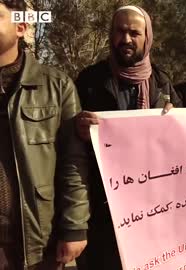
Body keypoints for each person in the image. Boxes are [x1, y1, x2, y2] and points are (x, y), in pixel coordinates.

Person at [74, 6, 179, 270]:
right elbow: (68, 145)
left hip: (153, 209)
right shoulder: (90, 80)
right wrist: (79, 130)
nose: (127, 39)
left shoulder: (163, 82)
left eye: (135, 33)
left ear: (148, 38)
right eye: (120, 31)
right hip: (103, 211)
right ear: (111, 35)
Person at [0, 1, 90, 269]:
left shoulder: (57, 85)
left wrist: (75, 227)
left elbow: (73, 162)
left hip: (36, 242)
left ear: (21, 27)